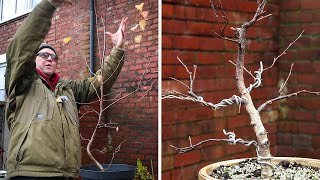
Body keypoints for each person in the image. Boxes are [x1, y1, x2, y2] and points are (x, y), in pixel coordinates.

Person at [4, 0, 128, 179]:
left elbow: (100, 82)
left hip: (66, 175)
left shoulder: (68, 89)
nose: (50, 59)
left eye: (54, 57)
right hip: (28, 174)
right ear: (33, 58)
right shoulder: (23, 82)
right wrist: (48, 5)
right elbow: (21, 48)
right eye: (44, 55)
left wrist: (118, 48)